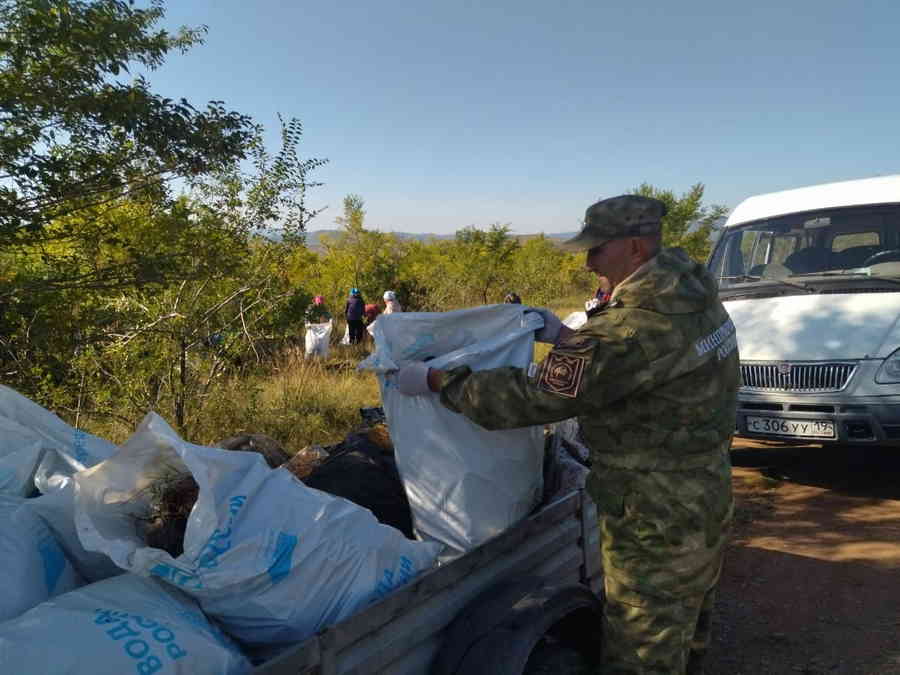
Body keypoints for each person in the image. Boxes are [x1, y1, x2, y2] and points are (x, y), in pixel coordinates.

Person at [394, 194, 740, 674]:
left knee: (643, 648)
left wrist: (438, 381)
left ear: (635, 248)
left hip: (654, 516)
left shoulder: (629, 328)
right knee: (687, 624)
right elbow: (645, 367)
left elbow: (535, 397)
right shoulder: (693, 297)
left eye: (598, 249)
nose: (588, 260)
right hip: (706, 491)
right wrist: (567, 339)